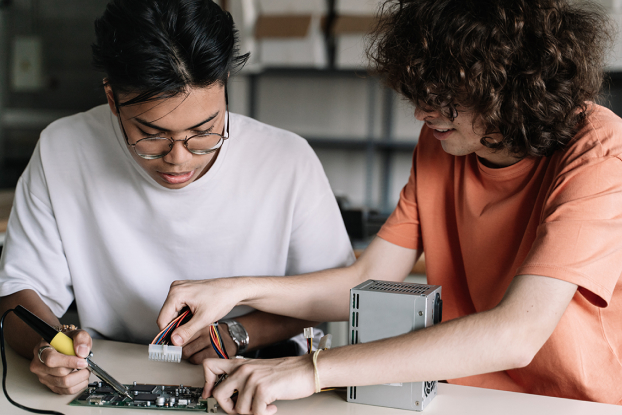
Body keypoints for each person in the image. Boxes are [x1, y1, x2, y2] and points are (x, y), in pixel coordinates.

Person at [157, 0, 622, 413]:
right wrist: (234, 290)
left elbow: (516, 334)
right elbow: (367, 280)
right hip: (461, 396)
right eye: (419, 95)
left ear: (507, 87)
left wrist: (311, 369)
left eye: (443, 100)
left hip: (575, 404)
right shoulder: (444, 143)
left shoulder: (600, 153)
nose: (422, 114)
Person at [0, 0, 354, 396]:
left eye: (205, 131)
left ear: (224, 87)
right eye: (152, 135)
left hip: (254, 374)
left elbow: (333, 296)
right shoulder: (63, 149)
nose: (179, 158)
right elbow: (19, 291)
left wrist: (240, 331)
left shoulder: (287, 160)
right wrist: (48, 345)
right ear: (113, 99)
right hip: (109, 371)